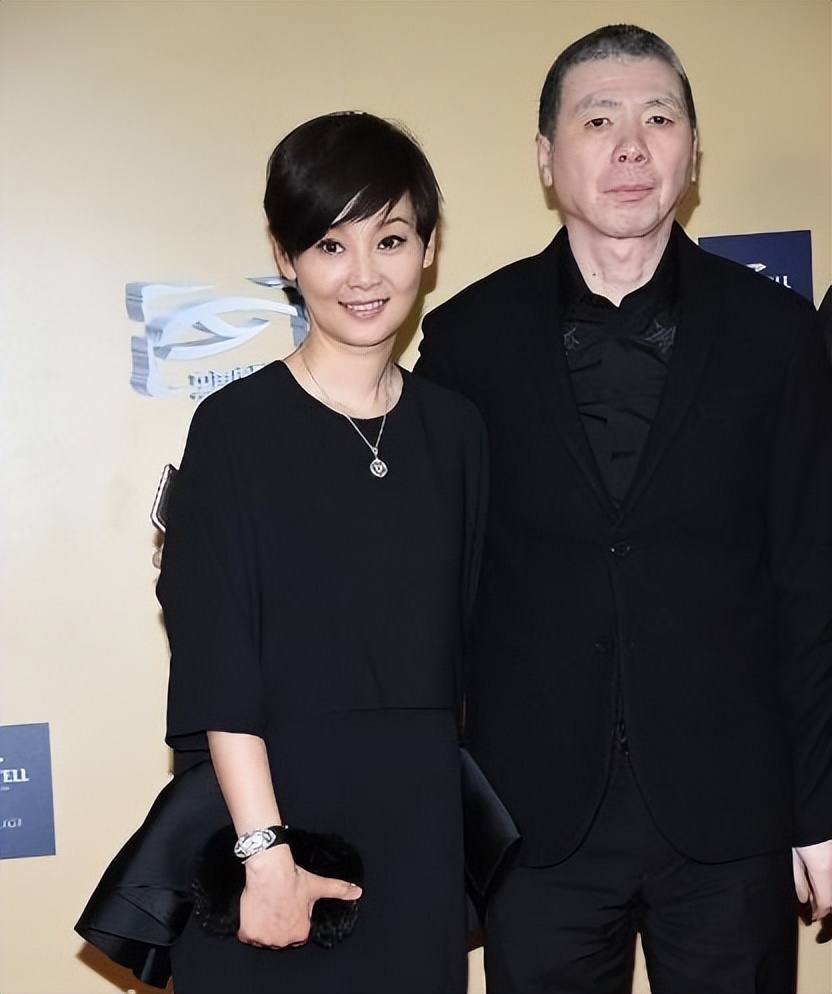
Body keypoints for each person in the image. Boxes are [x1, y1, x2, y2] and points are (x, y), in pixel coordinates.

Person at [416, 23, 832, 994]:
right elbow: (431, 589)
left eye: (659, 118)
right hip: (535, 821)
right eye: (598, 120)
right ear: (545, 157)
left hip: (733, 816)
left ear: (694, 151)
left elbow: (812, 583)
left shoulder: (776, 334)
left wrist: (821, 808)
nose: (631, 146)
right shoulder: (466, 340)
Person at [91, 112, 487, 994]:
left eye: (390, 239)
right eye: (330, 245)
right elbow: (217, 659)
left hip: (420, 833)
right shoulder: (235, 429)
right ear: (285, 256)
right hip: (271, 824)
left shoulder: (457, 432)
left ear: (427, 248)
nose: (364, 274)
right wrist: (263, 853)